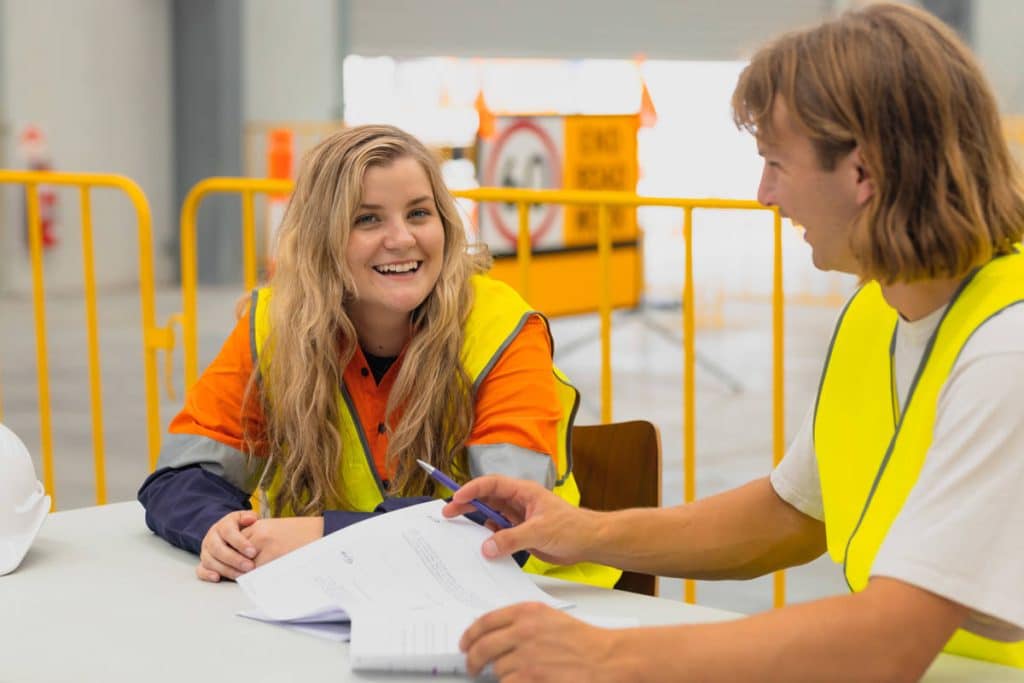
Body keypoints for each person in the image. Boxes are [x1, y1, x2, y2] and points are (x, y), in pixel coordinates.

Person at [443, 4, 1024, 679]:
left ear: (863, 173)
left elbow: (889, 641)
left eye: (776, 163)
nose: (764, 194)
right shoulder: (878, 312)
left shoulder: (1005, 350)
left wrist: (604, 653)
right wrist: (581, 531)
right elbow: (790, 516)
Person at [138, 124, 617, 588]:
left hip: (527, 601)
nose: (402, 238)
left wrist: (324, 536)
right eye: (367, 219)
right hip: (343, 599)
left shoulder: (500, 327)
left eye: (419, 213)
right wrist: (218, 530)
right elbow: (182, 476)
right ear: (320, 238)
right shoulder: (275, 322)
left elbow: (507, 519)